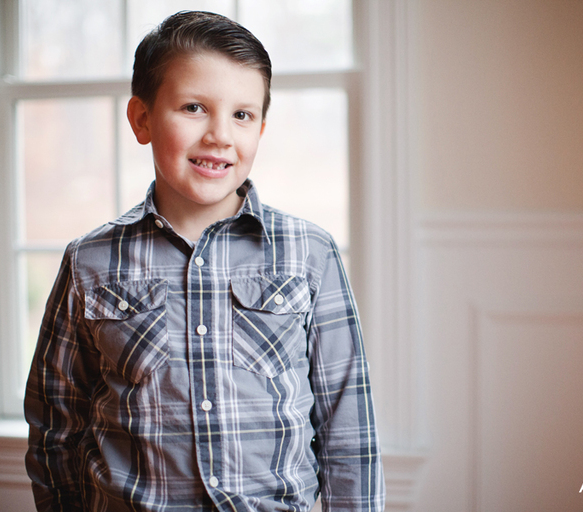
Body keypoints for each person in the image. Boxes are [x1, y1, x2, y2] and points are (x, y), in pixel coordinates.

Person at [24, 10, 385, 512]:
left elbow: (348, 429)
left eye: (242, 115)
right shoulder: (90, 262)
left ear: (261, 127)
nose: (220, 135)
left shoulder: (310, 253)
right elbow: (56, 427)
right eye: (194, 107)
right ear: (142, 119)